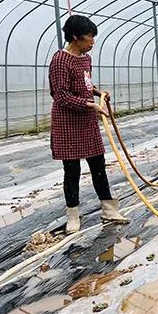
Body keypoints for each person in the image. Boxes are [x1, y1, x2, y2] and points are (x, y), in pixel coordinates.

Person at [49, 15, 129, 234]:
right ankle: (73, 216)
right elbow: (60, 95)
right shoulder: (60, 60)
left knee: (98, 165)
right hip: (67, 122)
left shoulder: (86, 59)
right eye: (89, 38)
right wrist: (90, 105)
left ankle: (109, 209)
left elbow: (85, 83)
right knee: (72, 170)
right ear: (75, 37)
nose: (92, 42)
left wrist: (97, 92)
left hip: (86, 120)